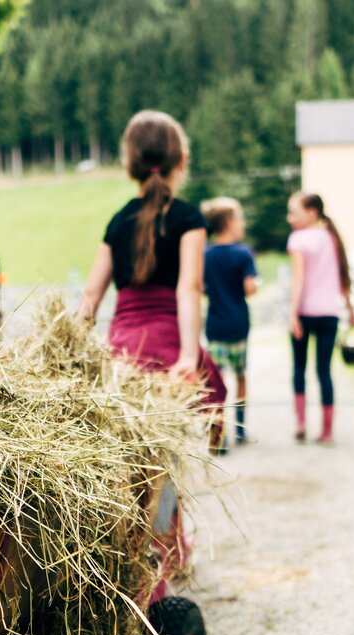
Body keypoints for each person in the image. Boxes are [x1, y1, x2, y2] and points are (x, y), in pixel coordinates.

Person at [79, 110, 227, 449]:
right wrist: (189, 356)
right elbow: (188, 288)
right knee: (205, 408)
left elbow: (90, 295)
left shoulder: (117, 221)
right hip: (169, 348)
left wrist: (70, 355)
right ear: (182, 160)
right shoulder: (189, 218)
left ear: (131, 163)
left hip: (121, 355)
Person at [285, 191, 354, 444]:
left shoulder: (298, 239)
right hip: (329, 314)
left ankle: (301, 424)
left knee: (299, 368)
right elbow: (343, 280)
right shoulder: (332, 237)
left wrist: (292, 313)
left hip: (305, 313)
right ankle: (327, 431)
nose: (289, 218)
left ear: (312, 212)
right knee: (324, 371)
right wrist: (352, 312)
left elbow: (298, 280)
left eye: (293, 212)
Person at [200, 197, 258, 449]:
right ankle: (241, 430)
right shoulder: (243, 254)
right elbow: (250, 288)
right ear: (229, 222)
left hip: (215, 326)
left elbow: (201, 287)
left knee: (217, 380)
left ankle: (218, 436)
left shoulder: (205, 255)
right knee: (240, 376)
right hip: (238, 325)